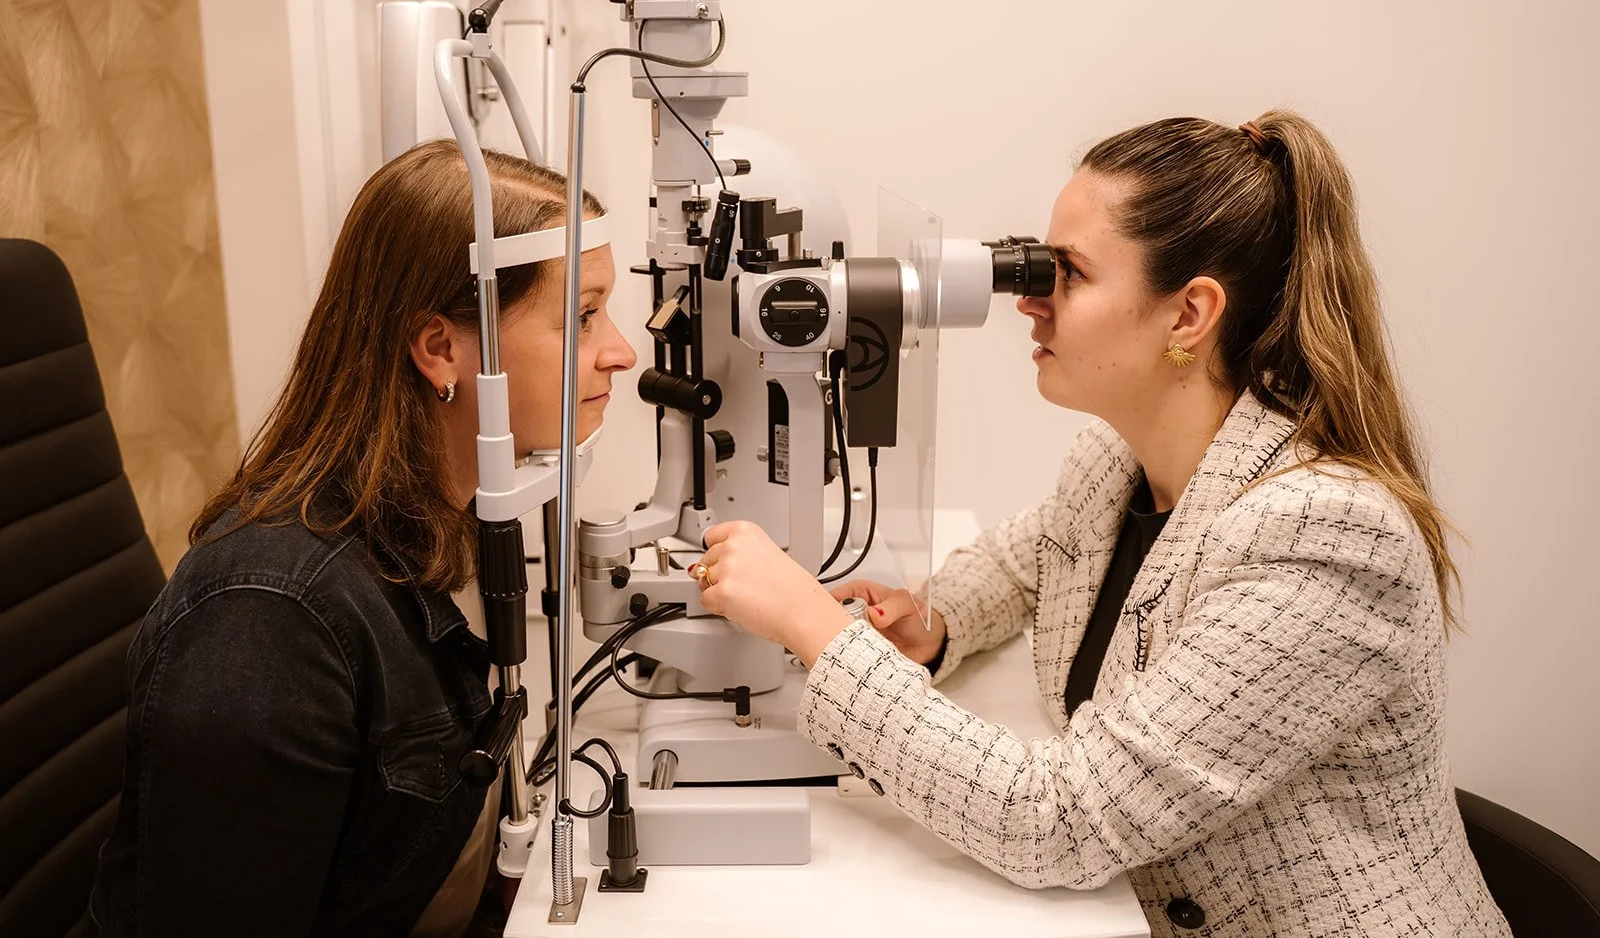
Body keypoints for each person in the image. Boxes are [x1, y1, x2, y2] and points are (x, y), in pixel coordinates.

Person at [692, 112, 1512, 936]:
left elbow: (1061, 822)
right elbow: (1025, 566)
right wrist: (935, 628)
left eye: (1069, 274)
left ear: (1189, 314)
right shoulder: (1116, 462)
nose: (1029, 301)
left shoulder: (1323, 536)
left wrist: (813, 629)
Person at [88, 140, 637, 936]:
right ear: (441, 348)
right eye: (583, 317)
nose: (619, 350)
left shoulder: (452, 518)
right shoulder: (274, 621)